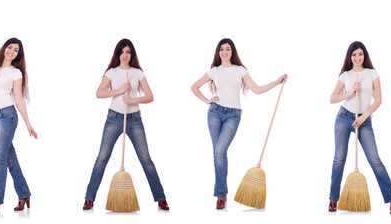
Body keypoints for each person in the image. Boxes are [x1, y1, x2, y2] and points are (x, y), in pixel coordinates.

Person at [190, 38, 287, 209]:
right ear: (218, 52)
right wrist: (207, 101)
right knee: (217, 153)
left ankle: (221, 193)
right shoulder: (214, 71)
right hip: (215, 112)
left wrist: (276, 82)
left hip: (233, 115)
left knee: (220, 150)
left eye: (227, 49)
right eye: (221, 49)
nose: (224, 52)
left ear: (232, 51)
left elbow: (256, 89)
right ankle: (222, 195)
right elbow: (194, 86)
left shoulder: (240, 70)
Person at [83, 39, 169, 211]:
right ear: (117, 54)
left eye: (128, 52)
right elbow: (99, 93)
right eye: (122, 52)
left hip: (134, 119)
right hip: (114, 118)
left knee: (146, 160)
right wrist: (119, 91)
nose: (125, 55)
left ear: (132, 54)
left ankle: (161, 198)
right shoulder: (112, 72)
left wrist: (132, 99)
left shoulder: (137, 73)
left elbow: (150, 96)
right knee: (102, 158)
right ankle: (89, 198)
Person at [328, 41, 391, 214]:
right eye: (354, 55)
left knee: (375, 159)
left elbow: (379, 100)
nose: (357, 57)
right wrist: (350, 93)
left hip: (364, 120)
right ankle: (333, 199)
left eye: (360, 54)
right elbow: (332, 98)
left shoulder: (372, 73)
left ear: (364, 55)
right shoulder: (346, 75)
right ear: (350, 57)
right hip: (344, 118)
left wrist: (364, 117)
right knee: (339, 159)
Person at [0, 38, 36, 212]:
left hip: (7, 116)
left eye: (16, 50)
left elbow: (18, 99)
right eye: (9, 47)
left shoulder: (16, 73)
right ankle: (24, 194)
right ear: (4, 48)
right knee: (9, 158)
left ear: (18, 54)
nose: (11, 51)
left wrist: (28, 123)